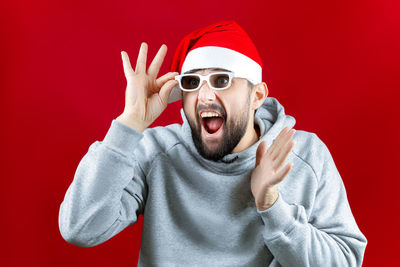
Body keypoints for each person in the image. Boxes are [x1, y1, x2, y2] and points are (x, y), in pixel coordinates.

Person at [58, 20, 367, 266]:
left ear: (257, 95)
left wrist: (272, 206)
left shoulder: (304, 156)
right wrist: (130, 124)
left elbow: (345, 260)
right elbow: (80, 228)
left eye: (221, 80)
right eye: (192, 82)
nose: (205, 96)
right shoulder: (155, 152)